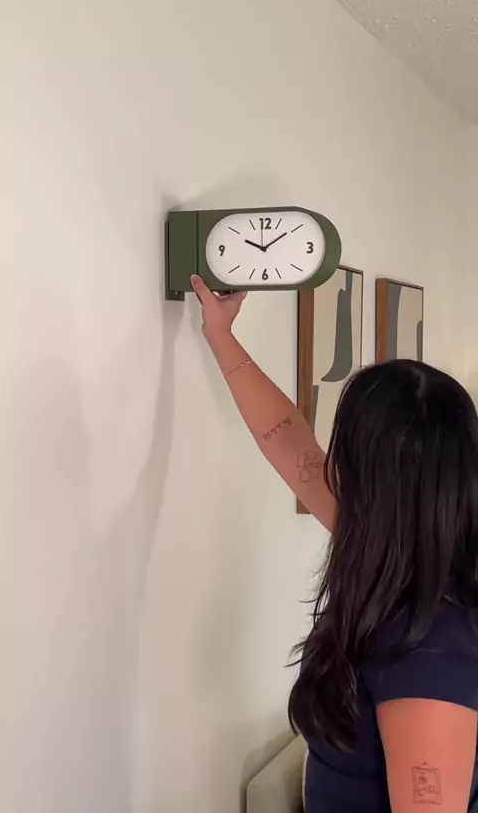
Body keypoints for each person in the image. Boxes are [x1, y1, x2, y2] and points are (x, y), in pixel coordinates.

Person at [191, 274, 478, 813]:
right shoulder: (399, 545)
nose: (329, 462)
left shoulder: (431, 651)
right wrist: (221, 336)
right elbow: (287, 439)